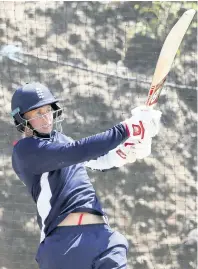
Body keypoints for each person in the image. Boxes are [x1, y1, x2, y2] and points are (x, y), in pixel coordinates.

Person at [10, 82, 162, 269]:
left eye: (48, 110)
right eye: (37, 113)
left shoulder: (62, 141)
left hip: (103, 238)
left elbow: (99, 161)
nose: (46, 118)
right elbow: (77, 151)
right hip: (64, 245)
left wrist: (127, 152)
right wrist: (128, 129)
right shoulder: (25, 151)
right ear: (21, 119)